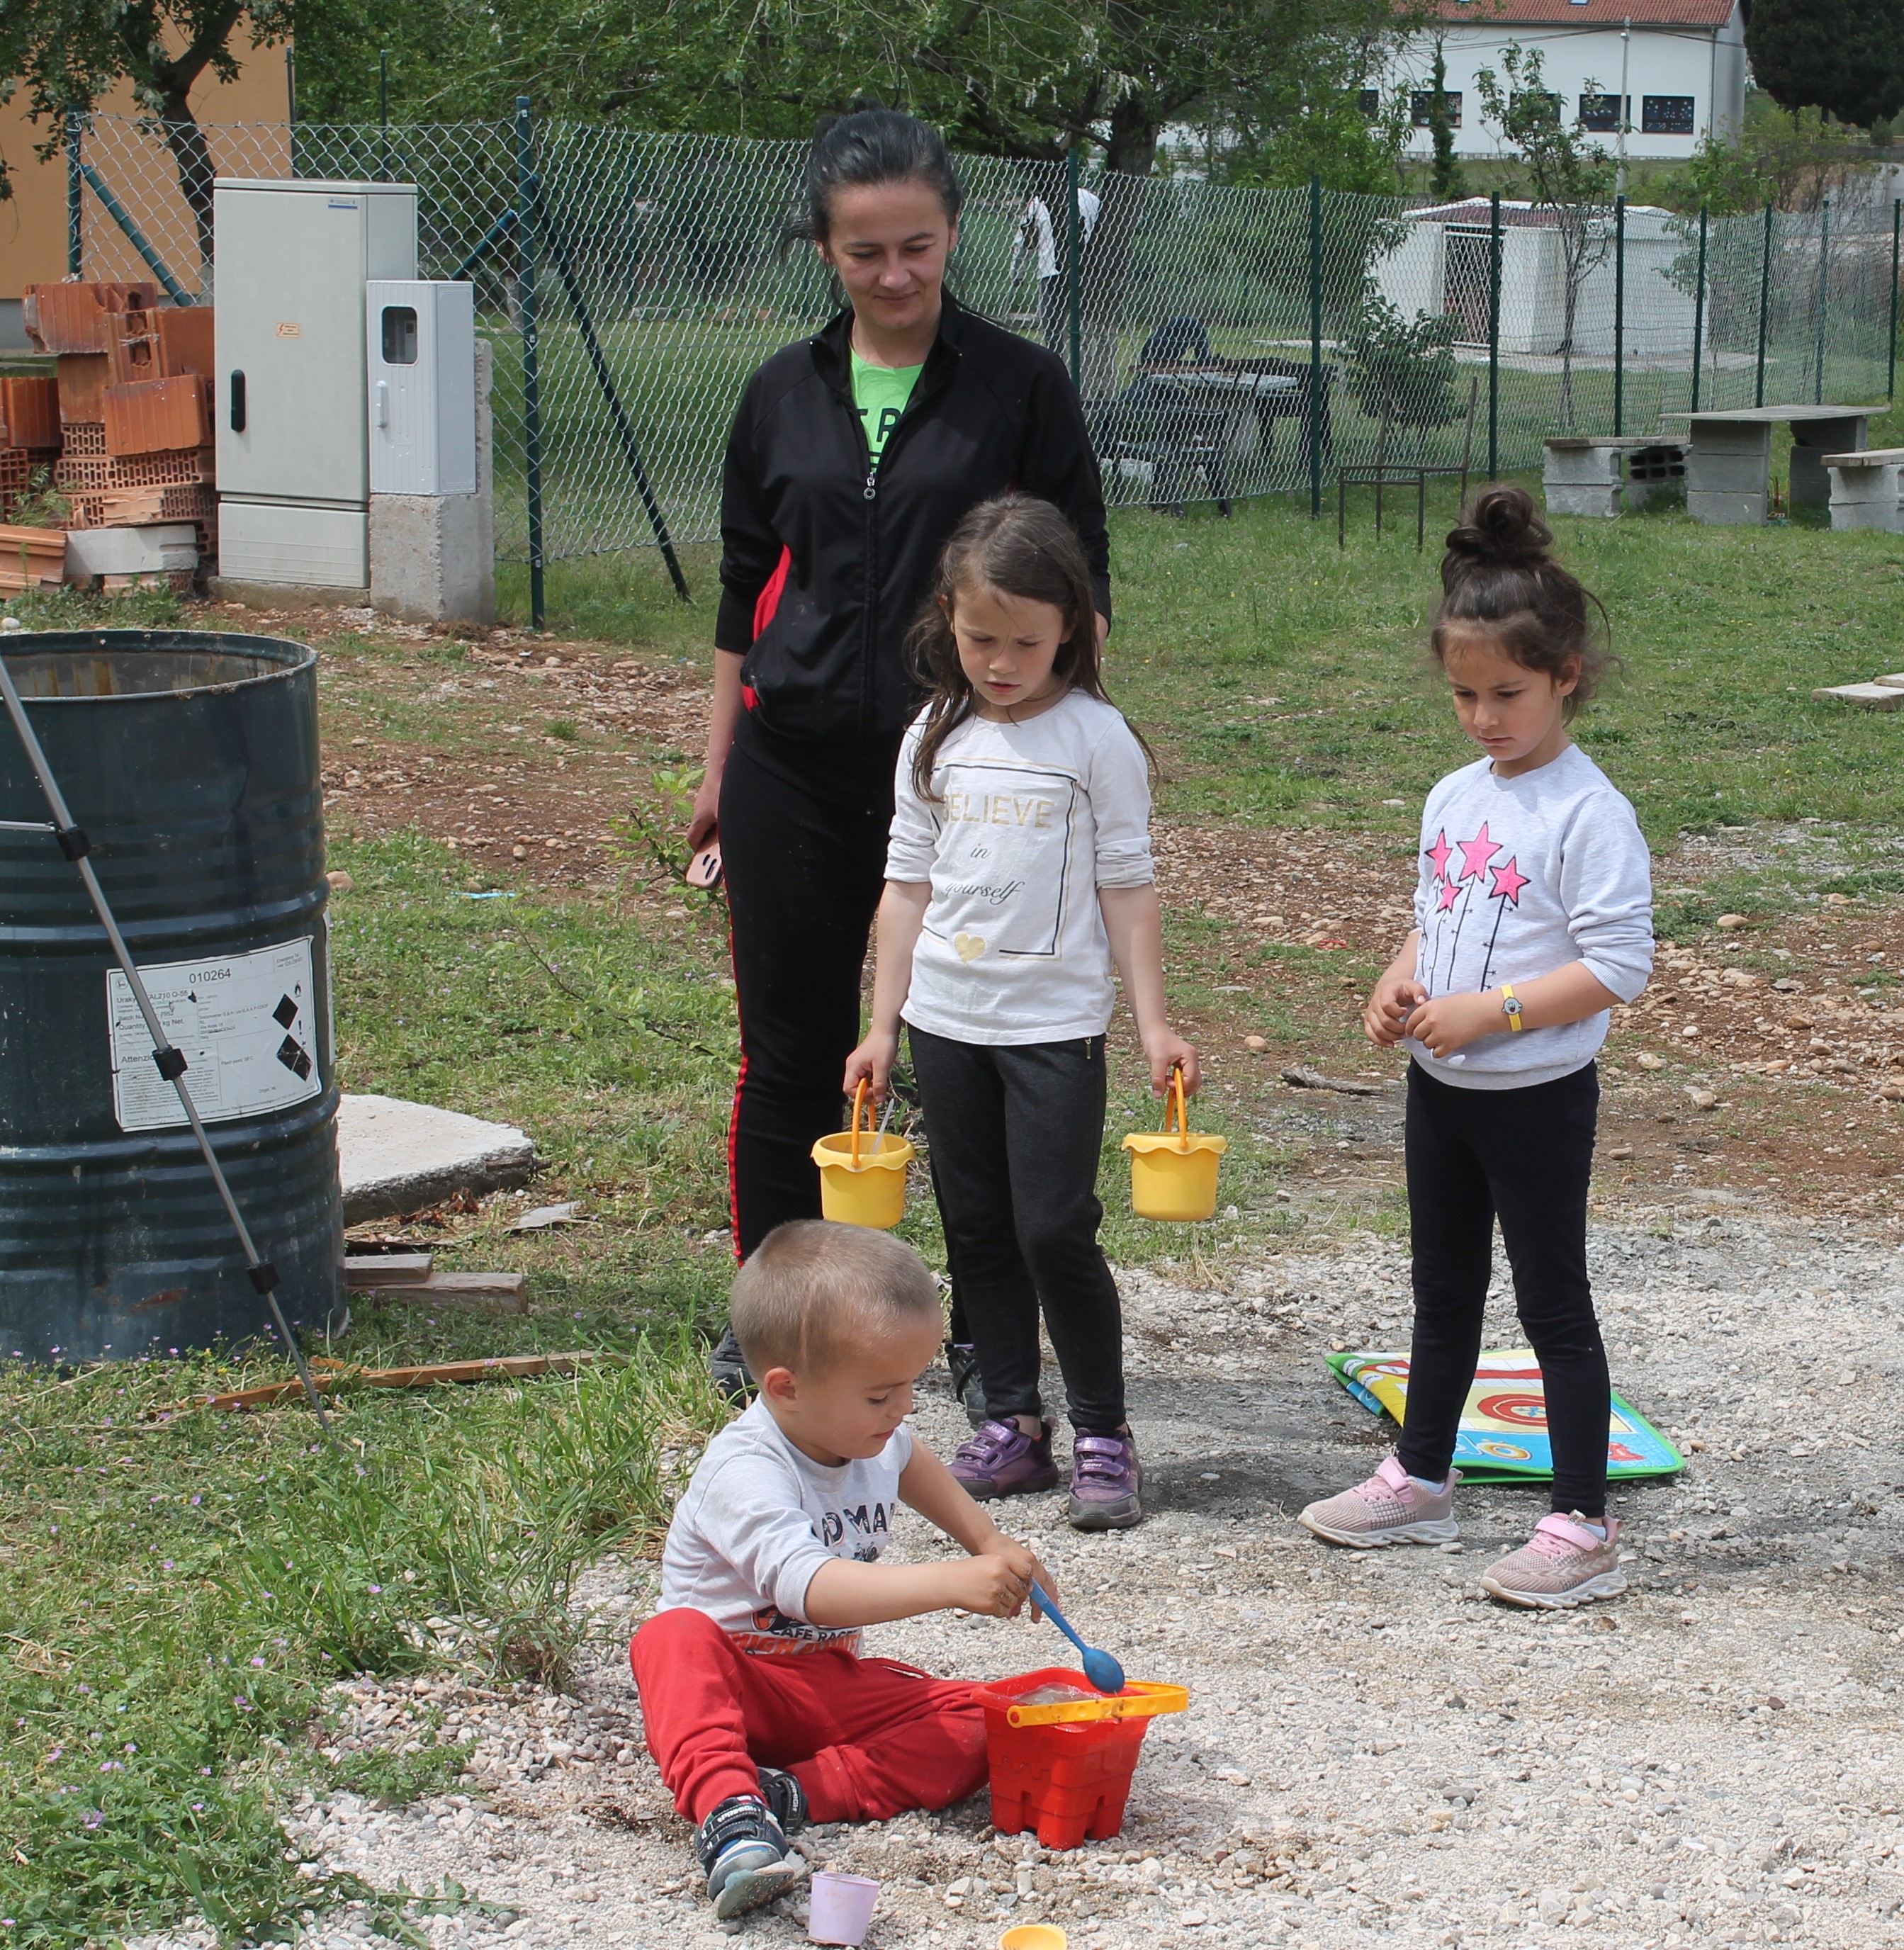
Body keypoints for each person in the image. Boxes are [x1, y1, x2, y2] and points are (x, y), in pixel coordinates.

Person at [697, 108, 1112, 1394]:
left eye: (917, 248)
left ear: (950, 237)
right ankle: (784, 1320)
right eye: (865, 251)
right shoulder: (778, 393)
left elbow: (1080, 594)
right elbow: (738, 597)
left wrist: (1072, 768)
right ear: (823, 248)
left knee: (967, 1053)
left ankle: (987, 1332)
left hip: (965, 774)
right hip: (797, 769)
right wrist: (716, 774)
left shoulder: (1019, 387)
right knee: (794, 1052)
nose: (894, 275)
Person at [1297, 485, 1653, 1608]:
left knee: (1551, 1303)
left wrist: (1492, 1013)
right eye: (1463, 694)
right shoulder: (1454, 797)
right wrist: (1398, 978)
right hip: (1438, 1087)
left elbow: (1615, 967)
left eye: (1507, 693)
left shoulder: (1588, 814)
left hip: (1534, 1095)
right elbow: (1435, 907)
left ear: (1566, 678)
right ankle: (1420, 1476)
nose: (1484, 716)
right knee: (1440, 1290)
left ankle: (1581, 1525)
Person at [845, 494, 1198, 1532]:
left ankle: (1101, 1432)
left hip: (1052, 1034)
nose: (1000, 661)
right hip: (948, 1026)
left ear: (1075, 632)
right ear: (946, 624)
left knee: (1054, 1228)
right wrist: (880, 1027)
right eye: (978, 638)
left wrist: (1153, 1023)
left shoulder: (1096, 741)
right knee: (979, 1231)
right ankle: (1010, 1421)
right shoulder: (934, 735)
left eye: (1026, 642)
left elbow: (1127, 885)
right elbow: (905, 888)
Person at [628, 1220, 1052, 1920]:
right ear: (786, 1388)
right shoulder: (747, 1469)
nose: (905, 1408)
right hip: (736, 1682)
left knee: (988, 1720)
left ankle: (788, 1795)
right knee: (671, 1637)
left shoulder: (867, 1433)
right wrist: (952, 1582)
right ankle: (728, 1813)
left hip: (826, 1684)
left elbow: (910, 1460)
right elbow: (815, 1592)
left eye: (912, 1384)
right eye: (881, 1394)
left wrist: (989, 1540)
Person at [1018, 177, 1103, 351]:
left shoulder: (1040, 201)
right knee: (1085, 322)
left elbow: (1021, 242)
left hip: (1051, 270)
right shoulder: (1092, 199)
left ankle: (1056, 357)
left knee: (1052, 327)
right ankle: (1086, 354)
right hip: (1085, 269)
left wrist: (1018, 274)